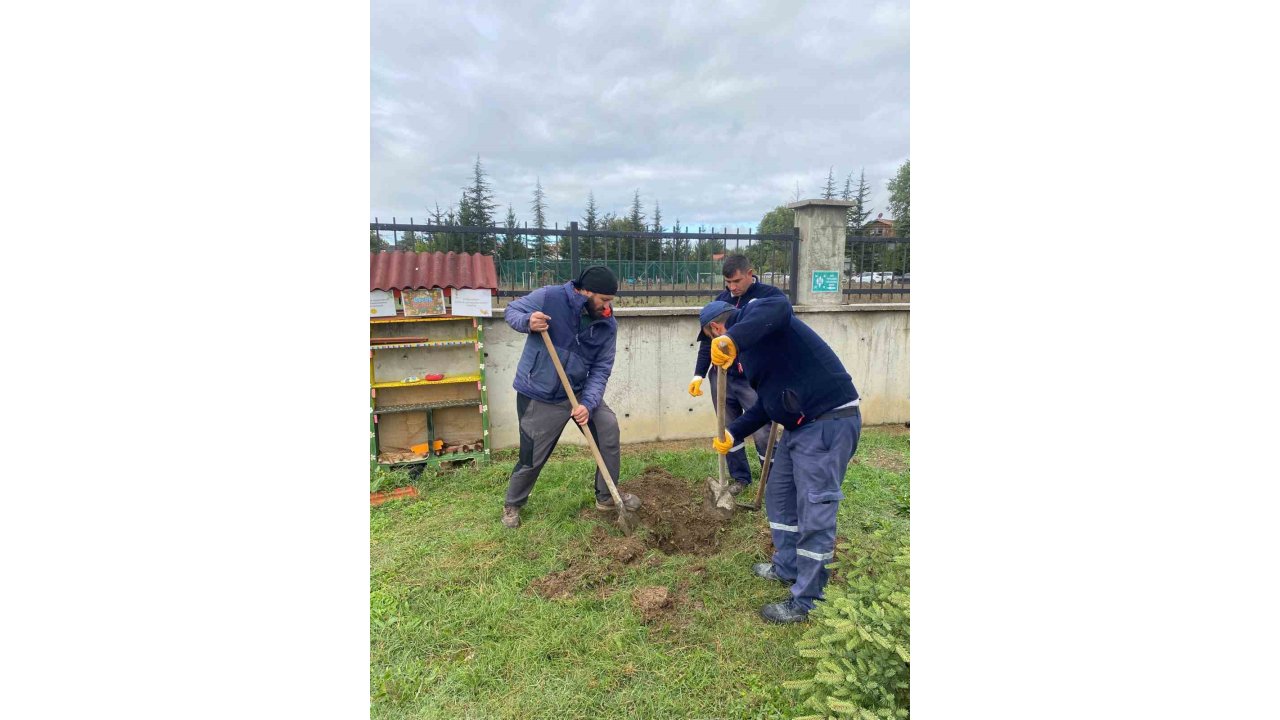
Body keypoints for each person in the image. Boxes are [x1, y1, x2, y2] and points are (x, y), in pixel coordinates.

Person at [703, 295, 862, 623]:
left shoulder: (761, 313)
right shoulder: (752, 352)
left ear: (715, 327)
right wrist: (733, 433)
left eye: (713, 338)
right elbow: (767, 404)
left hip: (827, 421)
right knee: (780, 496)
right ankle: (787, 566)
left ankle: (808, 601)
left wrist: (732, 338)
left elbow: (780, 307)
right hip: (800, 428)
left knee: (814, 511)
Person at [499, 266, 641, 529]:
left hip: (576, 391)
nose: (608, 307)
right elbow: (512, 310)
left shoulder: (607, 324)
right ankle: (513, 503)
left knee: (607, 428)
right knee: (532, 455)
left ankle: (607, 496)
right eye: (604, 300)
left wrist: (587, 403)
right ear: (585, 291)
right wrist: (528, 321)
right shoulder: (550, 297)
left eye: (611, 301)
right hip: (538, 392)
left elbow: (601, 369)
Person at [688, 254, 787, 497]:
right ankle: (740, 477)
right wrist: (699, 374)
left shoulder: (769, 297)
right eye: (728, 283)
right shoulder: (721, 302)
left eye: (737, 281)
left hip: (753, 377)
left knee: (762, 428)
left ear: (750, 273)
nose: (732, 287)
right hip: (722, 376)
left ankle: (773, 480)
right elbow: (708, 343)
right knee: (728, 427)